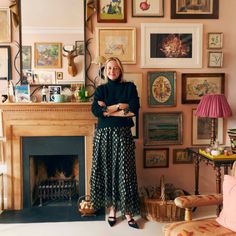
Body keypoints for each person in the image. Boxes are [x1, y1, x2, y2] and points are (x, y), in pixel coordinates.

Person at [90, 57, 140, 229]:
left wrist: (110, 109)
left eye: (116, 68)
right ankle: (112, 209)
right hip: (103, 136)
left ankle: (127, 211)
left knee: (124, 173)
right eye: (109, 68)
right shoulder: (101, 89)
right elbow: (96, 111)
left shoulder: (129, 87)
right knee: (108, 172)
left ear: (120, 70)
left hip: (123, 135)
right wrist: (120, 107)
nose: (112, 71)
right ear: (105, 70)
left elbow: (133, 110)